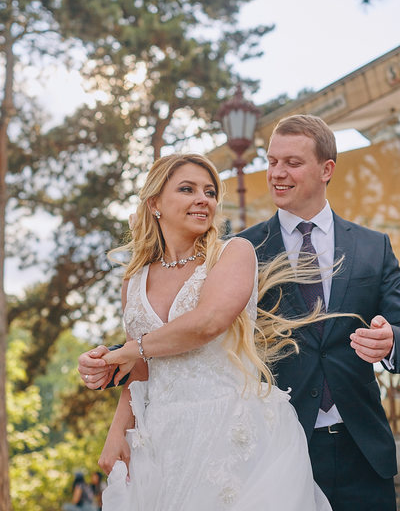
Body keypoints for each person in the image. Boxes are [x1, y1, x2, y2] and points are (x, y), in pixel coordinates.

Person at [79, 152, 333, 511]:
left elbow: (208, 322)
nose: (203, 199)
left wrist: (127, 350)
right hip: (162, 438)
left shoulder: (234, 253)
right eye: (187, 189)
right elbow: (144, 367)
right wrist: (117, 428)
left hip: (233, 431)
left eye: (210, 192)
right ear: (155, 203)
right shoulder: (133, 281)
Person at [239, 115, 400, 511]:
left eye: (292, 163)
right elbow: (202, 324)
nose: (276, 173)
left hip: (364, 452)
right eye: (271, 161)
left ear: (327, 169)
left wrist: (391, 339)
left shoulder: (373, 247)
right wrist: (126, 352)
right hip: (280, 451)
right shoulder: (242, 249)